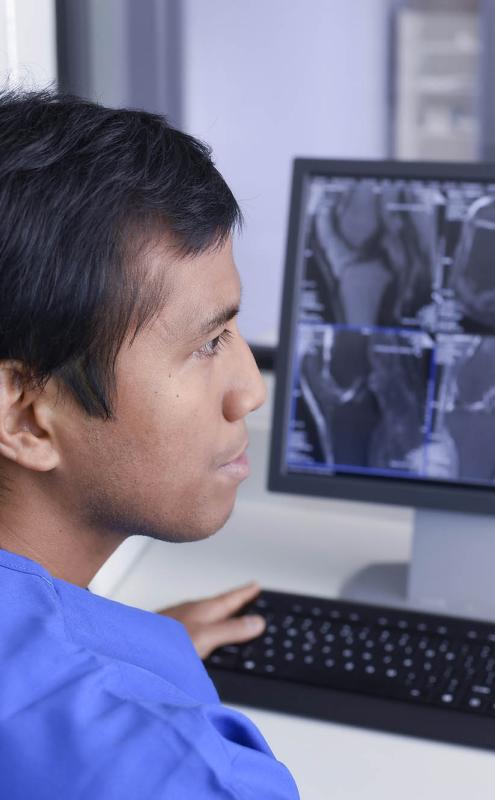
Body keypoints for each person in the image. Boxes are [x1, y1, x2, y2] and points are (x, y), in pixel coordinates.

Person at [0, 91, 298, 799]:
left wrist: (115, 654)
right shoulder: (192, 777)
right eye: (208, 342)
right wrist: (115, 700)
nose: (249, 392)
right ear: (26, 417)